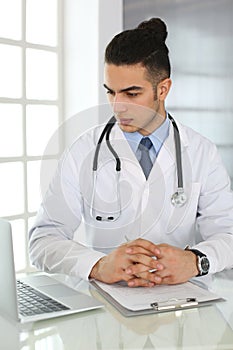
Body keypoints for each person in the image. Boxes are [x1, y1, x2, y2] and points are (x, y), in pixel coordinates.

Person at [29, 18, 233, 287]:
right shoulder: (83, 150)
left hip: (181, 307)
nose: (118, 106)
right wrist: (98, 265)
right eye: (111, 92)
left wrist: (195, 261)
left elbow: (227, 234)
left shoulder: (201, 152)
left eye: (131, 94)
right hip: (104, 308)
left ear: (163, 89)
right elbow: (42, 240)